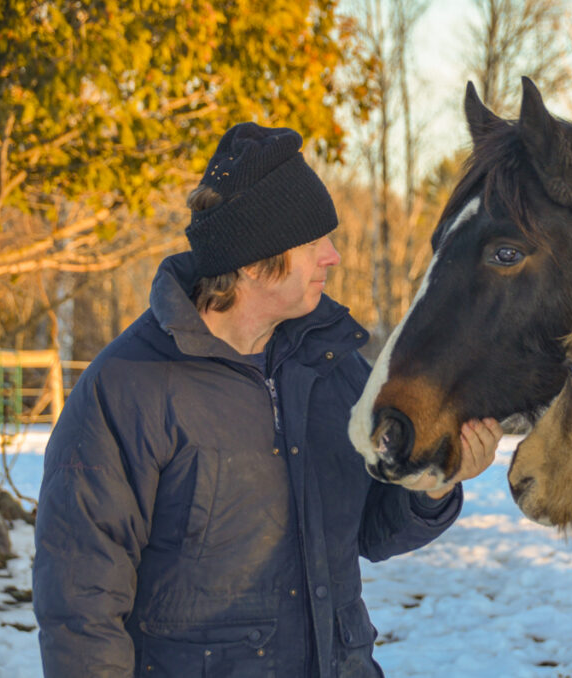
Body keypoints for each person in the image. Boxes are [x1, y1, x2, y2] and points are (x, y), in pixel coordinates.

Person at [32, 123, 503, 677]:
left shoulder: (336, 366)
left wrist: (435, 481)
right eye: (313, 242)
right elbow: (80, 602)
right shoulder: (129, 387)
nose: (333, 257)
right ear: (255, 260)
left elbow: (373, 531)